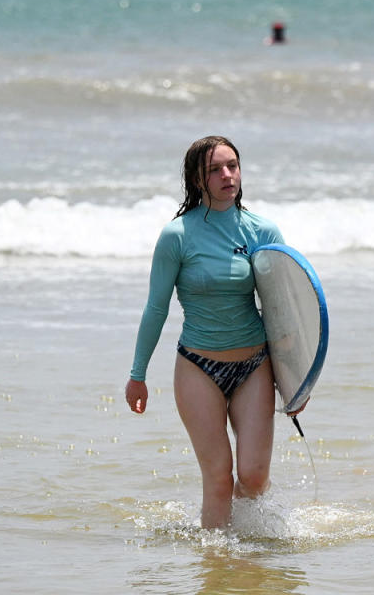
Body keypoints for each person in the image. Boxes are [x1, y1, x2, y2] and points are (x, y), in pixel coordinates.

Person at [125, 135, 299, 530]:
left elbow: (285, 311)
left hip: (254, 365)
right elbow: (156, 307)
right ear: (196, 179)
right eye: (215, 169)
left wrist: (296, 383)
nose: (227, 175)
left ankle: (243, 539)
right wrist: (138, 375)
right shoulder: (178, 236)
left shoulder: (262, 231)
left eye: (232, 166)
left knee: (253, 478)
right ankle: (218, 565)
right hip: (198, 367)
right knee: (219, 477)